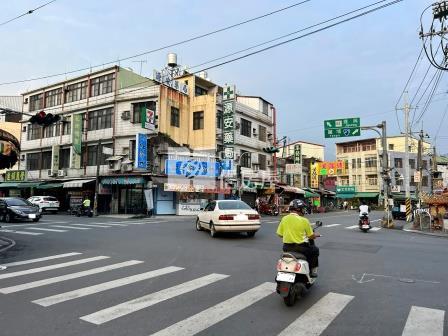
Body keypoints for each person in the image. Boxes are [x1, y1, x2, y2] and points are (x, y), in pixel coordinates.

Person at [276, 199, 321, 277]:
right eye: (302, 208)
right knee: (315, 250)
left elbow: (280, 235)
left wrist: (289, 235)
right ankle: (312, 270)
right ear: (298, 209)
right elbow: (310, 236)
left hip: (286, 247)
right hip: (301, 248)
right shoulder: (304, 220)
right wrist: (315, 235)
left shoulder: (284, 219)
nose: (303, 210)